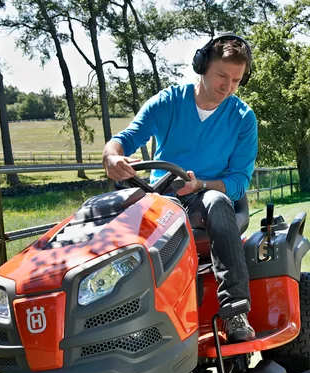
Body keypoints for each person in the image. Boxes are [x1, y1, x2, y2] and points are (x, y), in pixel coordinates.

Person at [102, 34, 257, 342]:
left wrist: (200, 184)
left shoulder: (243, 118)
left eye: (236, 80)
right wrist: (111, 156)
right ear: (202, 66)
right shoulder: (168, 102)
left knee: (215, 200)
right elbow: (127, 138)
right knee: (109, 215)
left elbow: (239, 180)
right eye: (222, 76)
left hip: (206, 201)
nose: (228, 87)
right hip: (160, 200)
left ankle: (235, 311)